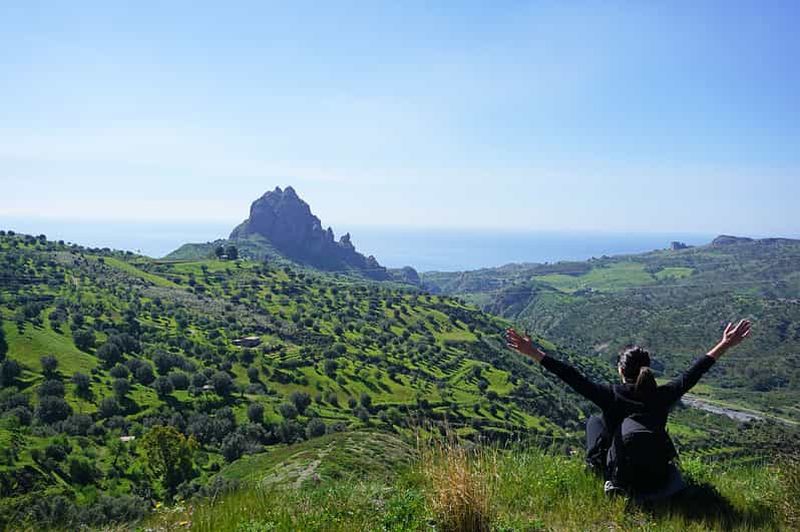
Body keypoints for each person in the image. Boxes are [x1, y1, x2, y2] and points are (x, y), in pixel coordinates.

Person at [505, 319, 751, 497]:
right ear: (648, 369)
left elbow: (571, 375)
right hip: (657, 475)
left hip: (622, 474)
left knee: (594, 421)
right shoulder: (663, 395)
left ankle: (598, 470)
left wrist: (533, 352)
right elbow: (695, 372)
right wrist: (724, 345)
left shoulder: (610, 395)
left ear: (620, 370)